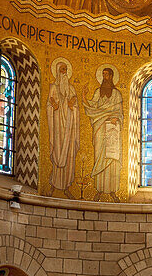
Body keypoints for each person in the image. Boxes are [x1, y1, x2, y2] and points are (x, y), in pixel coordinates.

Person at [83, 67, 123, 198]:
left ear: (111, 76)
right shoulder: (97, 91)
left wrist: (116, 118)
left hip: (112, 128)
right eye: (103, 74)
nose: (104, 76)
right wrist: (83, 96)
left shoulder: (117, 94)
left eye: (107, 74)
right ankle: (99, 189)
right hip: (100, 125)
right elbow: (92, 105)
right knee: (99, 154)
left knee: (112, 158)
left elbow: (119, 111)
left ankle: (112, 190)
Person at [47, 60, 80, 196]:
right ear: (57, 71)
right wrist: (53, 106)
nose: (64, 72)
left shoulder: (71, 89)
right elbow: (49, 105)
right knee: (57, 150)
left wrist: (73, 107)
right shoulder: (53, 88)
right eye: (62, 69)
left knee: (68, 155)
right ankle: (54, 185)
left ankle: (66, 186)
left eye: (66, 69)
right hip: (57, 126)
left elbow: (76, 108)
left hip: (69, 127)